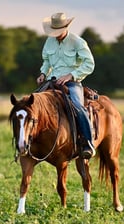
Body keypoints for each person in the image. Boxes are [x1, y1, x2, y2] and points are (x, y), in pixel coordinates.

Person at [36, 12, 96, 159]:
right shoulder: (49, 41)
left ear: (65, 27)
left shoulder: (77, 42)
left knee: (77, 106)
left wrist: (71, 75)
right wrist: (43, 73)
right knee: (33, 103)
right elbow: (47, 62)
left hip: (72, 83)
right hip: (51, 81)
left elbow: (90, 64)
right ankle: (34, 142)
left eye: (57, 31)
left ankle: (88, 143)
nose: (55, 35)